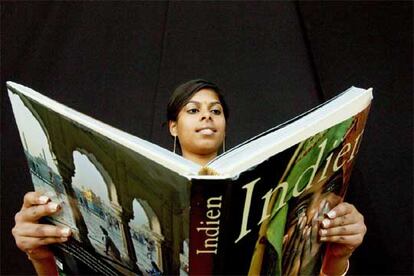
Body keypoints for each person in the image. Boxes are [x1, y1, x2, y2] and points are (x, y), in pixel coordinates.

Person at [12, 79, 366, 275]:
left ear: (225, 126)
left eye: (216, 111)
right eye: (193, 110)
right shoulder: (147, 181)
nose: (207, 117)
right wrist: (42, 257)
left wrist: (337, 256)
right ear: (173, 127)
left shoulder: (264, 186)